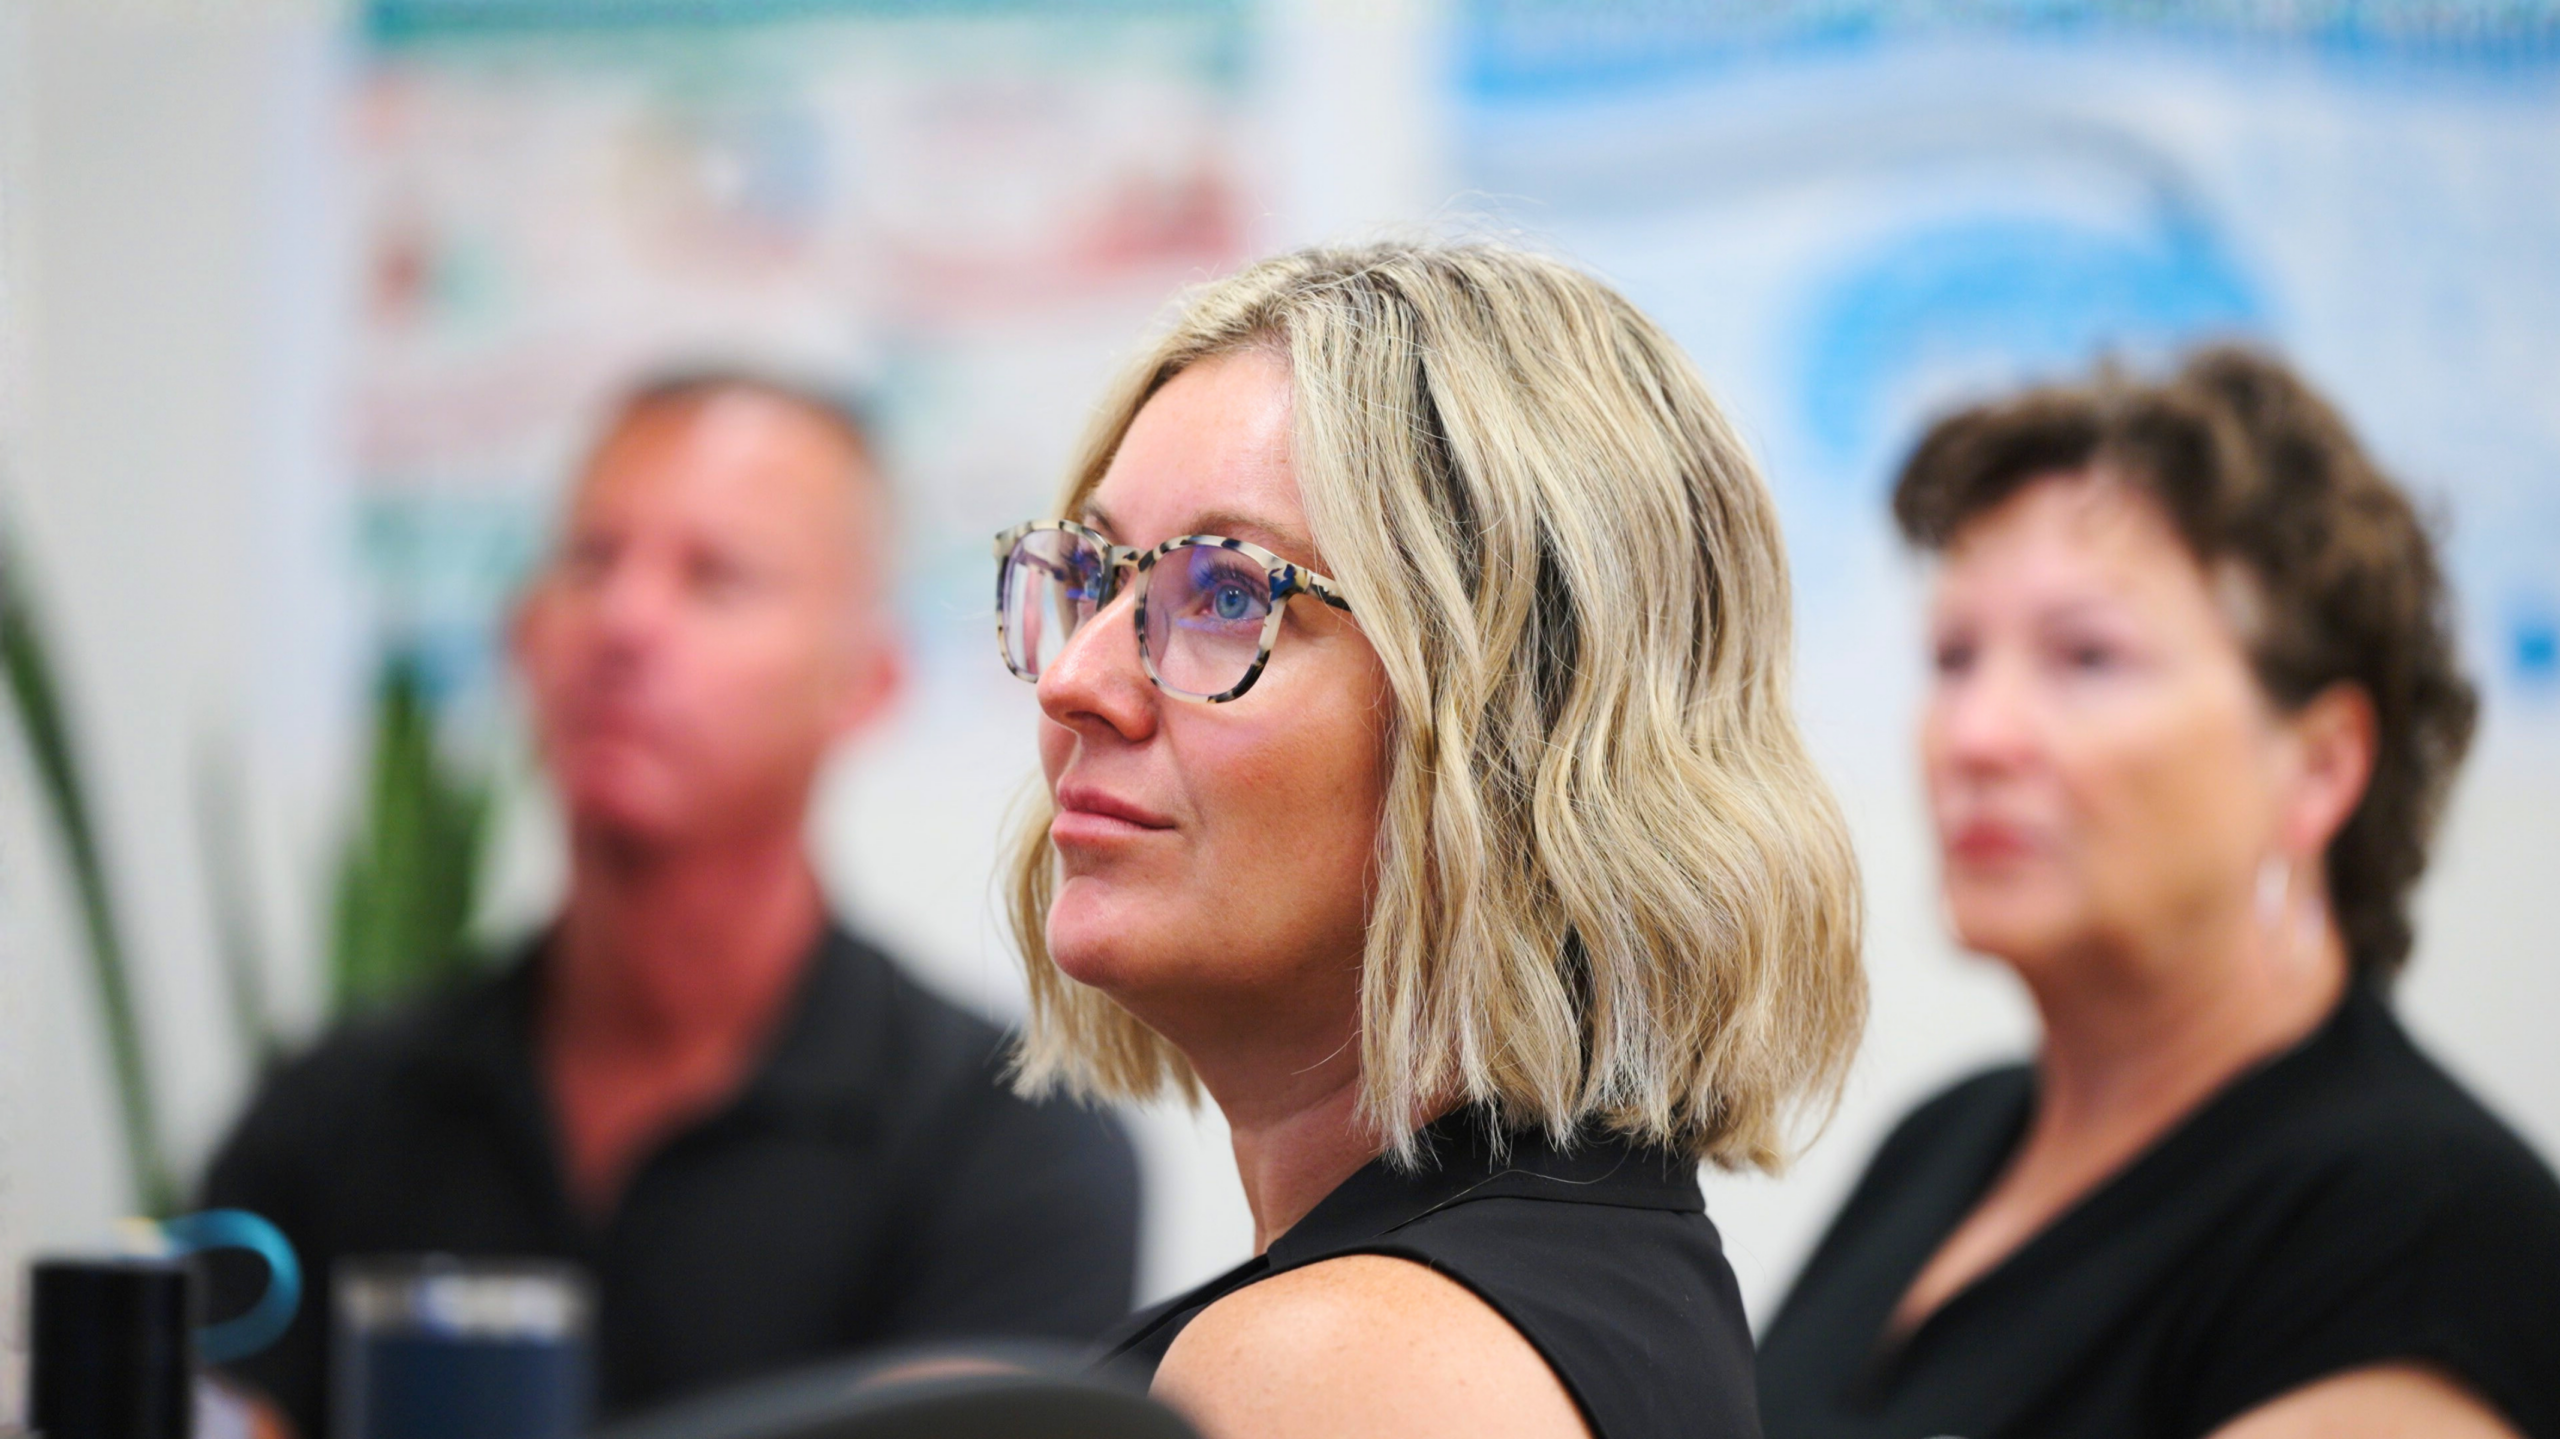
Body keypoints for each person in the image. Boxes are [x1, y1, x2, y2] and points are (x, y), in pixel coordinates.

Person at [989, 241, 1866, 1439]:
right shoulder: (1554, 1295)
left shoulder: (1344, 1365)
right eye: (1093, 577)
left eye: (1229, 594)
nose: (1077, 679)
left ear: (1516, 728)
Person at [201, 372, 1142, 1439]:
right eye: (590, 561)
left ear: (865, 680)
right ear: (524, 631)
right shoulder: (335, 1112)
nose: (623, 621)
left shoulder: (1010, 1147)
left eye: (715, 578)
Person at [1756, 348, 2560, 1439]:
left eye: (2085, 657)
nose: (1975, 735)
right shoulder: (1940, 1139)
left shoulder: (2418, 1227)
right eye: (1952, 657)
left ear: (2320, 763)